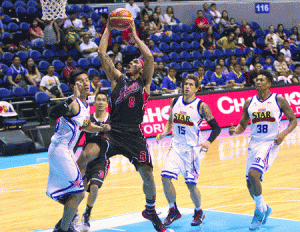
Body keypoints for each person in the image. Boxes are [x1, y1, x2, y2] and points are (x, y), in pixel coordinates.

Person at [76, 20, 167, 232]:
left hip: (134, 134)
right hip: (112, 130)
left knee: (148, 174)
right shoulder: (117, 80)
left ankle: (151, 210)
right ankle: (75, 195)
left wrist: (134, 36)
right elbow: (102, 53)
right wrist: (108, 28)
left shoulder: (143, 83)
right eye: (131, 61)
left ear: (141, 68)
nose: (132, 62)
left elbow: (150, 57)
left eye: (136, 61)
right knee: (88, 153)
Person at [229, 69, 297, 231]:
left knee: (254, 174)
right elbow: (243, 125)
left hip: (270, 143)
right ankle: (265, 208)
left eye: (261, 80)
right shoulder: (249, 102)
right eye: (256, 80)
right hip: (254, 143)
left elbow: (293, 120)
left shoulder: (278, 99)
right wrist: (235, 130)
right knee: (249, 183)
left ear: (269, 83)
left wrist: (284, 134)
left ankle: (259, 211)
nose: (258, 82)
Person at [46, 70, 107, 232]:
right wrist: (72, 96)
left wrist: (100, 128)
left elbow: (85, 126)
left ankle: (64, 224)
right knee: (79, 193)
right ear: (73, 86)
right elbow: (52, 114)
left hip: (67, 151)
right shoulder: (73, 103)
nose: (86, 83)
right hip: (60, 150)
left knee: (74, 193)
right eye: (81, 81)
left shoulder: (86, 106)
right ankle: (63, 229)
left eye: (87, 80)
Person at [157, 75, 221, 227]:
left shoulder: (201, 106)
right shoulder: (175, 101)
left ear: (196, 88)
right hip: (176, 146)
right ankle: (173, 210)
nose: (187, 87)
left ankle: (199, 211)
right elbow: (170, 122)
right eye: (186, 84)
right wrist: (165, 132)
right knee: (165, 177)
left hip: (192, 150)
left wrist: (208, 141)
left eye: (191, 85)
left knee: (191, 185)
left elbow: (217, 128)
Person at [79, 91, 111, 232]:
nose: (100, 102)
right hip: (85, 160)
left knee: (95, 187)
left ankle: (87, 213)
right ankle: (73, 214)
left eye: (103, 100)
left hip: (102, 160)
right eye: (98, 99)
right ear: (94, 102)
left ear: (107, 103)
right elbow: (78, 134)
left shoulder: (112, 120)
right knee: (80, 190)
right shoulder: (88, 119)